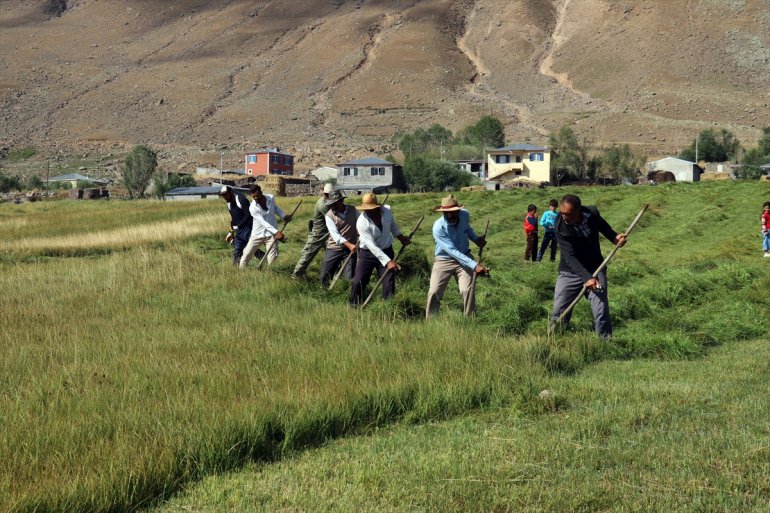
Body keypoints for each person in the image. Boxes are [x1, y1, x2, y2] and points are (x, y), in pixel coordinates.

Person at [551, 194, 627, 338]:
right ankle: (555, 340)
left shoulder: (592, 213)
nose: (565, 217)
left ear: (578, 210)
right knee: (559, 310)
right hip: (570, 272)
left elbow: (603, 227)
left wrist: (615, 238)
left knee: (601, 310)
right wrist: (586, 278)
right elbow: (570, 256)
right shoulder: (560, 225)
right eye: (562, 213)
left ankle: (605, 344)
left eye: (569, 214)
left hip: (595, 269)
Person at [425, 194, 487, 318]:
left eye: (453, 212)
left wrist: (476, 239)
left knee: (466, 290)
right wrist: (474, 265)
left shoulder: (464, 215)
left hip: (464, 257)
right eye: (446, 213)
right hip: (444, 260)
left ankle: (470, 320)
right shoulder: (438, 227)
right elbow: (452, 251)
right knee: (434, 292)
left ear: (458, 210)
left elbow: (467, 229)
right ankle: (430, 321)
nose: (450, 215)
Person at [349, 192, 411, 306]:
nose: (368, 212)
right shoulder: (362, 222)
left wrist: (400, 237)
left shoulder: (387, 211)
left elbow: (392, 224)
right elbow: (371, 246)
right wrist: (388, 262)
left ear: (377, 207)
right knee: (358, 281)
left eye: (371, 209)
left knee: (388, 283)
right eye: (366, 210)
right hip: (367, 254)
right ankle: (354, 306)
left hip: (386, 250)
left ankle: (387, 307)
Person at [239, 184, 292, 269]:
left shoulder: (270, 198)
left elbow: (275, 208)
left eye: (257, 196)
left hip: (271, 235)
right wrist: (277, 232)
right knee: (246, 255)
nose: (255, 198)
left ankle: (271, 275)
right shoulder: (253, 207)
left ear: (261, 192)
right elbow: (262, 222)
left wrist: (284, 216)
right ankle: (241, 273)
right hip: (257, 235)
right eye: (253, 197)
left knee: (272, 258)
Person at [292, 183, 334, 279]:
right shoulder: (323, 204)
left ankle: (334, 274)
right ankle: (296, 276)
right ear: (325, 193)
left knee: (335, 254)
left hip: (329, 233)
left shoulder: (330, 201)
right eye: (327, 194)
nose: (329, 196)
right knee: (307, 255)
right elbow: (333, 218)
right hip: (318, 233)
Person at [320, 190, 358, 288]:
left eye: (335, 203)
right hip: (334, 248)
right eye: (331, 204)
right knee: (325, 275)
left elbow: (361, 223)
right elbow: (335, 235)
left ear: (341, 201)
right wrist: (349, 245)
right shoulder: (329, 215)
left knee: (349, 278)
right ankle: (324, 292)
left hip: (350, 249)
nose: (333, 206)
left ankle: (347, 293)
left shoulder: (353, 210)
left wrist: (360, 236)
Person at [218, 185, 252, 266]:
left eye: (226, 194)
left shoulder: (241, 199)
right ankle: (235, 270)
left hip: (249, 228)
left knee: (251, 249)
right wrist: (231, 232)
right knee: (237, 251)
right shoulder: (229, 204)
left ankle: (264, 261)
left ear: (231, 192)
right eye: (223, 195)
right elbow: (233, 219)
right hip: (239, 231)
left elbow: (248, 215)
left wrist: (238, 226)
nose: (225, 197)